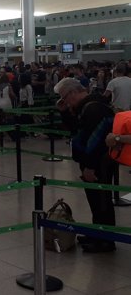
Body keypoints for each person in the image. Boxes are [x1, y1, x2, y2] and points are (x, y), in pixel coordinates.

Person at [55, 78, 116, 253]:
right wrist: (65, 112)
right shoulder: (86, 107)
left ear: (73, 92)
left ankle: (106, 240)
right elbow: (77, 130)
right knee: (95, 199)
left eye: (64, 97)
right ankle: (98, 234)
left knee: (102, 200)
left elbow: (96, 142)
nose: (64, 101)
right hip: (93, 162)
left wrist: (89, 167)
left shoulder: (94, 108)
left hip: (98, 164)